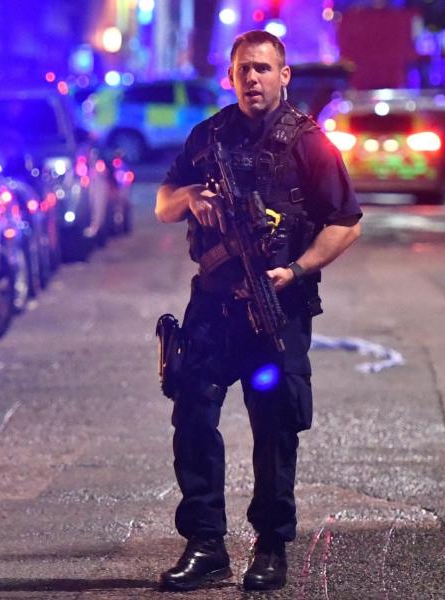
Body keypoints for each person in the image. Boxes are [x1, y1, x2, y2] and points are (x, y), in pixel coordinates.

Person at [154, 30, 362, 592]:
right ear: (231, 75)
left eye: (264, 69)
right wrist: (193, 199)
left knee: (274, 429)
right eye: (244, 69)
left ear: (284, 75)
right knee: (193, 415)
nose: (253, 78)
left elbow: (347, 222)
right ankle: (205, 544)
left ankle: (271, 548)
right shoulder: (210, 134)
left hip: (278, 308)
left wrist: (296, 270)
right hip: (214, 307)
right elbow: (165, 202)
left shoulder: (310, 144)